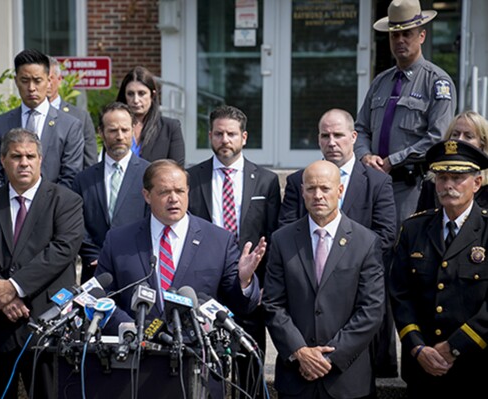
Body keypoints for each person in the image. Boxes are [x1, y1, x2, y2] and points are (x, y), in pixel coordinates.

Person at [0, 128, 84, 399]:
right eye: (16, 156)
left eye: (30, 156)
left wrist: (15, 287)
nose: (24, 162)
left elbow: (62, 250)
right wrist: (3, 297)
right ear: (3, 160)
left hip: (46, 325)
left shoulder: (66, 202)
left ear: (41, 159)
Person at [279, 108, 398, 378]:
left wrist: (345, 259)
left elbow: (387, 234)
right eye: (325, 135)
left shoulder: (377, 182)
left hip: (358, 289)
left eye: (338, 135)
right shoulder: (300, 180)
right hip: (309, 291)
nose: (331, 142)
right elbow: (285, 231)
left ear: (354, 136)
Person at [264, 160, 385, 399]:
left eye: (325, 188)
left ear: (339, 190)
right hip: (295, 377)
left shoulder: (366, 241)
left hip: (346, 380)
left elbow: (371, 309)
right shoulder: (282, 240)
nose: (317, 195)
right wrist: (300, 351)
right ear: (302, 192)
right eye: (311, 188)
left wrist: (328, 358)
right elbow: (272, 303)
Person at [96, 159, 264, 330]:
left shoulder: (219, 240)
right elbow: (101, 297)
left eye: (180, 191)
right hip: (137, 349)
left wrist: (244, 281)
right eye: (164, 192)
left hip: (196, 351)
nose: (174, 199)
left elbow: (242, 306)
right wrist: (129, 327)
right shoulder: (119, 241)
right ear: (147, 195)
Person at [187, 105, 280, 397]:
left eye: (230, 134)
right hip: (206, 284)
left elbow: (273, 234)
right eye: (218, 133)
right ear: (210, 136)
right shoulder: (193, 178)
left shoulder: (266, 180)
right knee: (204, 366)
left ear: (244, 137)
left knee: (249, 367)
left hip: (250, 287)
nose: (224, 139)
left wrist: (264, 285)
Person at [390, 139, 488, 398]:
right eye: (442, 177)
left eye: (458, 177)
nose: (448, 185)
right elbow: (399, 294)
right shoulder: (414, 229)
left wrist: (454, 347)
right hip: (423, 369)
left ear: (477, 183)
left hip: (475, 368)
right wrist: (417, 348)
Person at [354, 0, 456, 228]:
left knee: (403, 248)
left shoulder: (437, 82)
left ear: (422, 36)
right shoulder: (380, 82)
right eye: (394, 35)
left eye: (406, 34)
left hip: (411, 186)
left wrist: (393, 161)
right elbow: (361, 128)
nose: (399, 40)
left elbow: (438, 138)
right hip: (372, 183)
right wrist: (364, 156)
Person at [0, 49, 84, 191]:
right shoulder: (0, 124)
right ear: (16, 81)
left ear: (48, 82)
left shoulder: (69, 126)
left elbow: (70, 177)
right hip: (9, 209)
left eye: (37, 81)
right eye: (25, 81)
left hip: (52, 208)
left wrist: (43, 207)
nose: (31, 88)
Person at [72, 102, 150, 282]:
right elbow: (76, 224)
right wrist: (95, 256)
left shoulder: (150, 174)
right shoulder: (83, 179)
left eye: (125, 130)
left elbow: (152, 220)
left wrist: (125, 259)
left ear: (133, 130)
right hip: (94, 272)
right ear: (101, 132)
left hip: (137, 271)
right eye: (113, 130)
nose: (120, 136)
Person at [416, 110, 488, 211]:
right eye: (455, 134)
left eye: (468, 136)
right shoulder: (432, 182)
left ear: (482, 144)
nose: (460, 140)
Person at [116, 66, 185, 165]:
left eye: (141, 93)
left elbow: (177, 170)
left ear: (152, 95)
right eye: (130, 94)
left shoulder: (170, 128)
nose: (136, 100)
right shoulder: (114, 127)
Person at [47, 55, 98, 168]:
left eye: (50, 79)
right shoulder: (27, 115)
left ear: (59, 80)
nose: (46, 84)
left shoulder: (80, 117)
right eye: (41, 79)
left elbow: (90, 163)